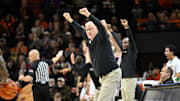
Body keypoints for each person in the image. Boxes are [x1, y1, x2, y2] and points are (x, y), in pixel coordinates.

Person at [63, 8, 121, 101]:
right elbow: (80, 30)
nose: (88, 31)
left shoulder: (102, 37)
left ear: (96, 29)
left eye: (90, 29)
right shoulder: (90, 40)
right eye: (87, 30)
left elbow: (101, 26)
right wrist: (71, 21)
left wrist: (89, 15)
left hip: (111, 74)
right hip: (102, 78)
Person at [120, 19, 138, 101]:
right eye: (123, 42)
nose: (124, 44)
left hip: (130, 79)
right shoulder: (123, 53)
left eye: (126, 42)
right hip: (123, 79)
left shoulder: (132, 51)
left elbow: (131, 38)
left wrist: (127, 28)